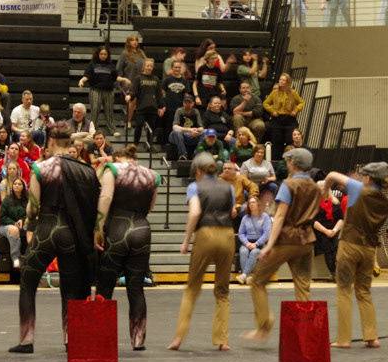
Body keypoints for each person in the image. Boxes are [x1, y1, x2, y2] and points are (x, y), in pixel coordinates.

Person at [10, 123, 100, 354]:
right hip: (72, 233)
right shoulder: (86, 170)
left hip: (47, 229)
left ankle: (26, 340)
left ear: (50, 142)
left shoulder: (41, 168)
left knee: (28, 280)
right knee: (70, 288)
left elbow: (32, 209)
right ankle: (71, 339)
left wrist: (29, 214)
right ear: (70, 144)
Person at [241, 147, 321, 343]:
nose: (286, 164)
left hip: (287, 240)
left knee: (258, 280)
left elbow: (279, 217)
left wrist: (269, 246)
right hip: (307, 240)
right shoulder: (314, 187)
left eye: (287, 162)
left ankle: (263, 326)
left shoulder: (288, 185)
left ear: (293, 163)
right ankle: (306, 335)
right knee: (303, 288)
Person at [168, 151, 235, 351]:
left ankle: (179, 337)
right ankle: (222, 340)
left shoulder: (194, 187)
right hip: (227, 234)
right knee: (222, 290)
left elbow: (195, 212)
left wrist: (186, 241)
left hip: (205, 234)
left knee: (192, 288)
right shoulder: (228, 187)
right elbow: (232, 211)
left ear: (197, 171)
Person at [323, 162, 388, 349]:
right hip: (369, 248)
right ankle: (371, 337)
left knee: (344, 290)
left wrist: (323, 190)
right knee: (364, 292)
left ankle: (343, 339)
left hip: (349, 244)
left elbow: (331, 174)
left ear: (368, 178)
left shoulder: (358, 189)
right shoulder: (385, 201)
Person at [95, 144, 158, 351]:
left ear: (117, 159)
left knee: (105, 285)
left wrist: (98, 228)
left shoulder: (112, 169)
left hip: (117, 229)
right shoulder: (152, 175)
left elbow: (105, 198)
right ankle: (138, 340)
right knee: (136, 287)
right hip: (141, 229)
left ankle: (101, 338)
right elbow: (150, 207)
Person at [78, 46, 118, 134]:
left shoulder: (111, 65)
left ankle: (112, 130)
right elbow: (87, 76)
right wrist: (82, 80)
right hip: (96, 90)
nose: (103, 56)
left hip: (109, 91)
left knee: (109, 111)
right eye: (101, 54)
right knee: (95, 111)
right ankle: (93, 129)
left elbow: (116, 77)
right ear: (98, 54)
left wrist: (125, 80)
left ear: (108, 55)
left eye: (105, 54)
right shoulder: (92, 64)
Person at [261, 73, 303, 151]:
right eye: (280, 79)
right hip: (277, 119)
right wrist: (272, 111)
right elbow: (265, 103)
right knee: (277, 142)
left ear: (287, 82)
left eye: (283, 80)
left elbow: (301, 102)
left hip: (289, 119)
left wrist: (295, 110)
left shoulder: (293, 93)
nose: (281, 81)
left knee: (289, 140)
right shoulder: (274, 92)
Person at [236, 196, 271, 280]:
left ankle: (244, 275)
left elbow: (267, 233)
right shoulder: (245, 218)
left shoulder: (265, 217)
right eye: (249, 203)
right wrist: (246, 243)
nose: (251, 204)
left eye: (253, 202)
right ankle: (246, 276)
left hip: (259, 244)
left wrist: (256, 244)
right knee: (243, 252)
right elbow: (241, 233)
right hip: (247, 243)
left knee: (254, 252)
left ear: (258, 204)